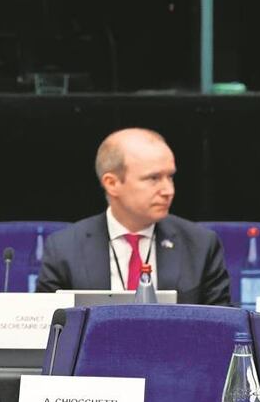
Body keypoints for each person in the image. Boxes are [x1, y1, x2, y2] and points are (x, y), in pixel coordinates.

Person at [37, 128, 230, 305]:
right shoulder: (64, 248)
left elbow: (224, 328)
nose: (168, 190)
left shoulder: (200, 245)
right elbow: (49, 330)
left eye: (170, 177)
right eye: (153, 178)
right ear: (112, 183)